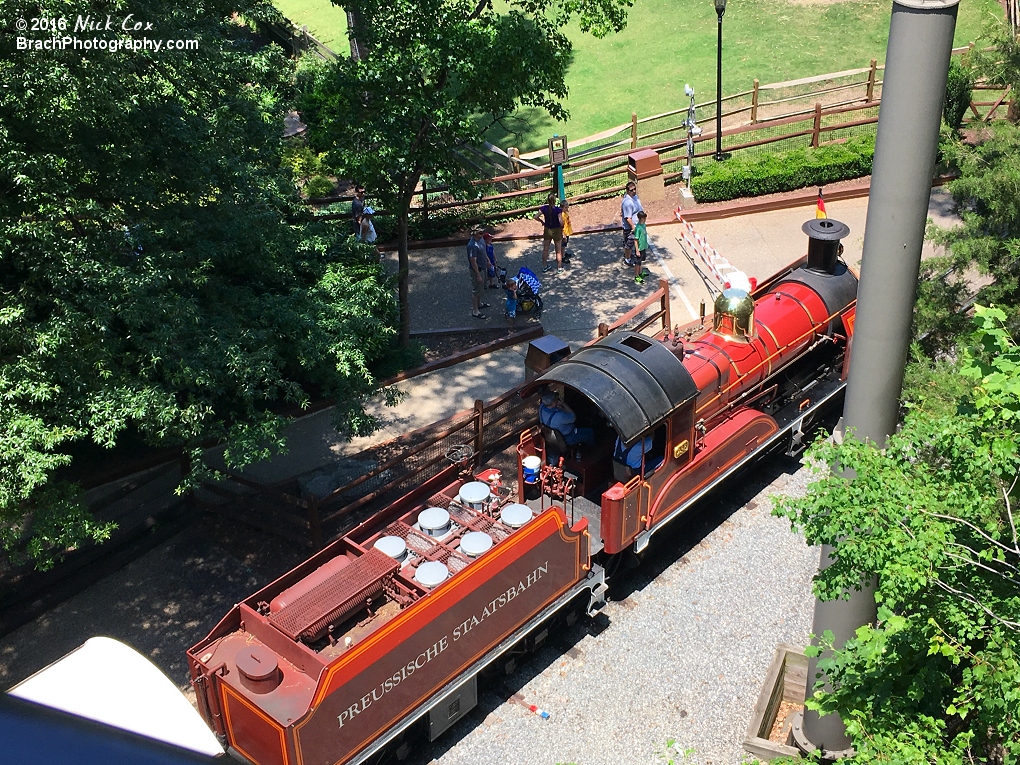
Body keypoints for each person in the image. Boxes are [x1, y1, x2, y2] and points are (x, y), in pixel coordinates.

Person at [539, 390, 595, 455]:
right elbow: (573, 417)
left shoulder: (542, 408)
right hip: (568, 437)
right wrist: (563, 404)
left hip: (553, 435)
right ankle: (593, 451)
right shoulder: (560, 416)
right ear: (554, 403)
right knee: (590, 432)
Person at [534, 194, 563, 273]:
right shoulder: (558, 210)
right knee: (558, 250)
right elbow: (560, 221)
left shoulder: (544, 208)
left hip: (547, 230)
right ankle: (559, 267)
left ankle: (544, 266)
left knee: (545, 249)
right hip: (556, 230)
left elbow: (536, 216)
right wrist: (562, 227)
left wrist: (542, 222)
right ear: (555, 200)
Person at [467, 227, 490, 320]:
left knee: (481, 288)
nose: (482, 234)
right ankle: (475, 310)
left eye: (482, 232)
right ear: (475, 234)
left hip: (483, 267)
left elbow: (484, 252)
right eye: (480, 233)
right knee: (476, 290)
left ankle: (479, 304)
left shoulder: (481, 240)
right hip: (477, 270)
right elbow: (473, 261)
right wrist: (478, 275)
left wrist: (488, 260)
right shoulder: (472, 245)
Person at [621, 181, 644, 264]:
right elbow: (628, 218)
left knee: (634, 241)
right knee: (629, 244)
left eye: (635, 189)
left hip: (638, 225)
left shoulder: (635, 197)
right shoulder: (628, 202)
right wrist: (633, 227)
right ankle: (627, 259)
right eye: (631, 190)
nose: (634, 191)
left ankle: (630, 254)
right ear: (627, 191)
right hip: (631, 227)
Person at [630, 210, 649, 283]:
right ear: (640, 218)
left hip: (643, 246)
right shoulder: (638, 228)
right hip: (639, 248)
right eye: (644, 218)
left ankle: (640, 273)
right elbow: (636, 240)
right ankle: (636, 276)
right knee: (637, 263)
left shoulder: (644, 225)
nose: (645, 220)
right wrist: (637, 250)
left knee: (640, 261)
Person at [560, 198, 573, 265]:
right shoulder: (561, 215)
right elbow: (561, 226)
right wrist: (563, 235)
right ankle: (562, 257)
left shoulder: (565, 213)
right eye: (565, 207)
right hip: (564, 233)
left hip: (567, 231)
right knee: (563, 245)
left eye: (567, 207)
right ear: (562, 207)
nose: (567, 209)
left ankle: (564, 253)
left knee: (565, 244)